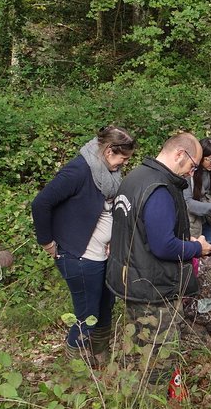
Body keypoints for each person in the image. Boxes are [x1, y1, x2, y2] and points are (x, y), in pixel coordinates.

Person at [106, 132, 211, 385]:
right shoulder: (160, 188)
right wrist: (197, 249)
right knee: (159, 355)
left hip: (130, 277)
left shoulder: (134, 177)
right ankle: (152, 396)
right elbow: (163, 246)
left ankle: (132, 390)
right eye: (192, 166)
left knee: (139, 345)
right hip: (152, 288)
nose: (192, 173)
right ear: (180, 154)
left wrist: (183, 241)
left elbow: (143, 231)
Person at [31, 125, 134, 363]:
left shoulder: (108, 174)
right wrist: (47, 242)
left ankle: (100, 353)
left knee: (106, 305)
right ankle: (74, 359)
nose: (125, 163)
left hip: (102, 254)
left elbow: (107, 209)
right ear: (109, 151)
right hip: (79, 256)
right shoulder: (78, 171)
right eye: (123, 158)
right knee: (88, 312)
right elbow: (41, 204)